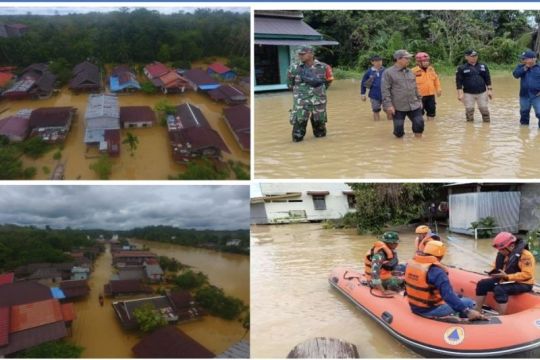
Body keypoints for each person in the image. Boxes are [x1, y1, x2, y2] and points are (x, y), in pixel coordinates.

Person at [404, 241, 485, 320]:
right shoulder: (437, 272)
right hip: (430, 310)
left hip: (414, 307)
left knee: (456, 296)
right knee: (469, 302)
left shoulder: (411, 264)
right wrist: (467, 311)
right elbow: (448, 296)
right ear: (441, 256)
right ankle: (466, 319)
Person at [475, 232, 536, 315]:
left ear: (511, 246)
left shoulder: (526, 256)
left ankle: (501, 316)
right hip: (506, 279)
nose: (500, 251)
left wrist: (507, 276)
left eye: (502, 249)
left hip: (524, 283)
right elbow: (497, 266)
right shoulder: (504, 254)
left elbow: (527, 275)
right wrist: (493, 272)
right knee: (482, 284)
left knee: (500, 289)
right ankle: (477, 311)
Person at [287, 45, 334, 142]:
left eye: (303, 54)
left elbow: (328, 81)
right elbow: (290, 85)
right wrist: (300, 94)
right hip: (301, 102)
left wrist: (319, 91)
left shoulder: (324, 67)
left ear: (311, 54)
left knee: (320, 131)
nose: (300, 56)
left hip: (319, 101)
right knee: (298, 133)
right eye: (299, 54)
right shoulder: (294, 68)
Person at [382, 49, 424, 138]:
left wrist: (420, 100)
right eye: (406, 58)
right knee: (398, 130)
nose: (409, 60)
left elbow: (415, 87)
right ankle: (399, 148)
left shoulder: (411, 72)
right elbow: (385, 90)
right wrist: (388, 105)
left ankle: (418, 145)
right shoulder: (388, 73)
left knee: (419, 124)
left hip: (414, 104)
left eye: (409, 58)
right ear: (398, 59)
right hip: (398, 106)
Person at [456, 49, 492, 122]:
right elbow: (458, 82)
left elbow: (487, 79)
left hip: (482, 92)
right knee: (469, 112)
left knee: (484, 111)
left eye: (476, 56)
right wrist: (460, 94)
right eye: (472, 56)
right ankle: (469, 130)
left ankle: (486, 129)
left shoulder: (483, 66)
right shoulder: (461, 68)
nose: (474, 57)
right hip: (468, 93)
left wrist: (490, 90)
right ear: (466, 57)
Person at [512, 50, 540, 126]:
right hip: (524, 95)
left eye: (525, 59)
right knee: (524, 115)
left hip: (537, 96)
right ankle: (524, 133)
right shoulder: (521, 67)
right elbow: (515, 75)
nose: (523, 60)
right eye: (523, 59)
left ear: (534, 59)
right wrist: (525, 68)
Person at [412, 52, 442, 121]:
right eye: (424, 61)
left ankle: (431, 128)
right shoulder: (413, 71)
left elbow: (436, 80)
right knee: (419, 114)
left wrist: (438, 89)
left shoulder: (431, 69)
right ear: (419, 62)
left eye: (427, 61)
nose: (426, 63)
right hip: (419, 97)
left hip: (431, 95)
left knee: (431, 113)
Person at [361, 55, 387, 121]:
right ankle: (377, 125)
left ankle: (390, 124)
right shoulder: (368, 72)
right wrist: (363, 94)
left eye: (380, 60)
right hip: (374, 95)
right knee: (376, 110)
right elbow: (363, 83)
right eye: (376, 61)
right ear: (372, 62)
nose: (379, 62)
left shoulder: (386, 71)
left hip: (386, 94)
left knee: (388, 110)